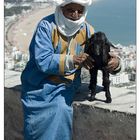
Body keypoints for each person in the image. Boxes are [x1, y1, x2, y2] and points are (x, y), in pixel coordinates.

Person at [21, 0, 121, 139]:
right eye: (70, 10)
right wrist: (73, 59)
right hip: (38, 84)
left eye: (80, 11)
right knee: (44, 120)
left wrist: (115, 64)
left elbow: (101, 55)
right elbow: (42, 60)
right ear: (61, 9)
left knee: (60, 108)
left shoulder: (87, 30)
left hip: (66, 85)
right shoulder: (46, 26)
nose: (75, 15)